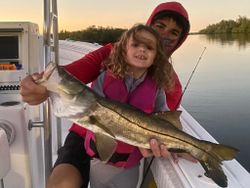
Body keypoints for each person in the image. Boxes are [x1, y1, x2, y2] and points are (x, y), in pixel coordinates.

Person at [20, 2, 194, 188]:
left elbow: (165, 124)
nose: (164, 35)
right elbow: (70, 75)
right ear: (149, 24)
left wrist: (169, 145)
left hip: (124, 148)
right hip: (83, 133)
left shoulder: (169, 82)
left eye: (174, 33)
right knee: (62, 184)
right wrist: (39, 86)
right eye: (160, 26)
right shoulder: (113, 53)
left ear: (179, 41)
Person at [87, 23, 173, 188]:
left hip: (130, 162)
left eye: (149, 47)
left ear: (156, 56)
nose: (142, 50)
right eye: (135, 45)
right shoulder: (104, 78)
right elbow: (91, 110)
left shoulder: (156, 88)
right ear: (123, 50)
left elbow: (164, 116)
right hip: (101, 158)